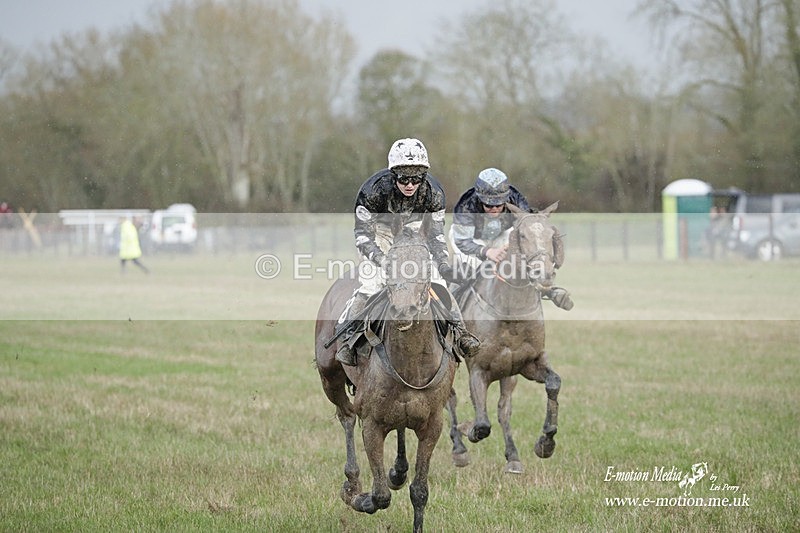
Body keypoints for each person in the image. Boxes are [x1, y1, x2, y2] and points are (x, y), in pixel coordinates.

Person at [335, 138, 480, 366]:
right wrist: (384, 260)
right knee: (372, 282)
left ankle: (461, 334)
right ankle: (348, 339)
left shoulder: (434, 193)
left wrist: (442, 263)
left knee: (437, 281)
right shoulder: (372, 191)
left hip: (413, 231)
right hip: (379, 232)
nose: (410, 185)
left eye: (416, 178)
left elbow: (435, 235)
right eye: (404, 178)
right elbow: (363, 235)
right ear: (394, 175)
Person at [450, 167, 573, 310]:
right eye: (489, 205)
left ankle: (547, 290)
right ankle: (454, 304)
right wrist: (487, 252)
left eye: (499, 204)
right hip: (470, 240)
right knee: (471, 270)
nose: (494, 208)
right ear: (479, 198)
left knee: (515, 265)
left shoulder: (515, 199)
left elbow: (526, 228)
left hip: (501, 235)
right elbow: (462, 241)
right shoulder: (466, 205)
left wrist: (512, 246)